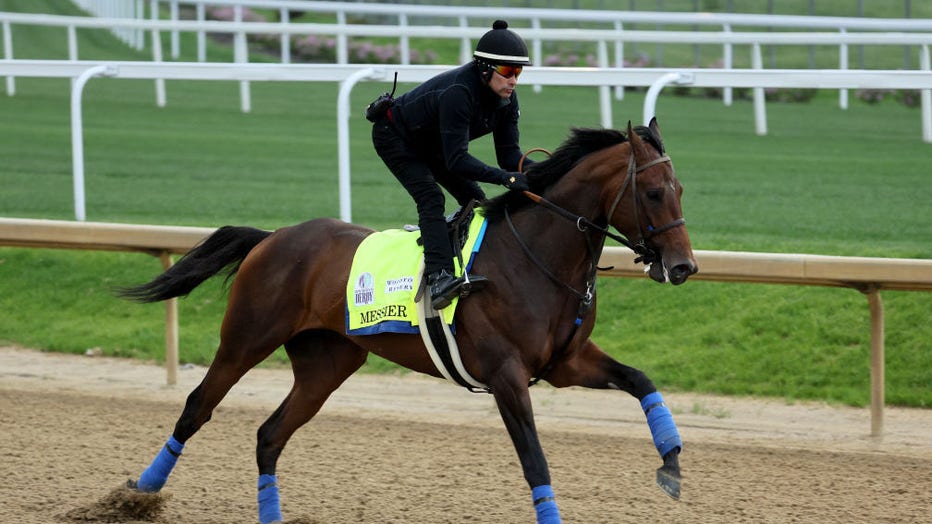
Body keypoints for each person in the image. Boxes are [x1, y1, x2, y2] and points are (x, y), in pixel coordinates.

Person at [370, 20, 534, 310]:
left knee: (477, 201)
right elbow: (458, 160)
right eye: (508, 72)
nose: (514, 80)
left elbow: (510, 156)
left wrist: (545, 172)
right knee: (431, 197)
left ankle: (457, 252)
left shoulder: (507, 99)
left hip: (434, 143)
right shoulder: (460, 93)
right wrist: (506, 180)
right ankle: (439, 275)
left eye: (518, 72)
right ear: (485, 69)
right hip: (395, 136)